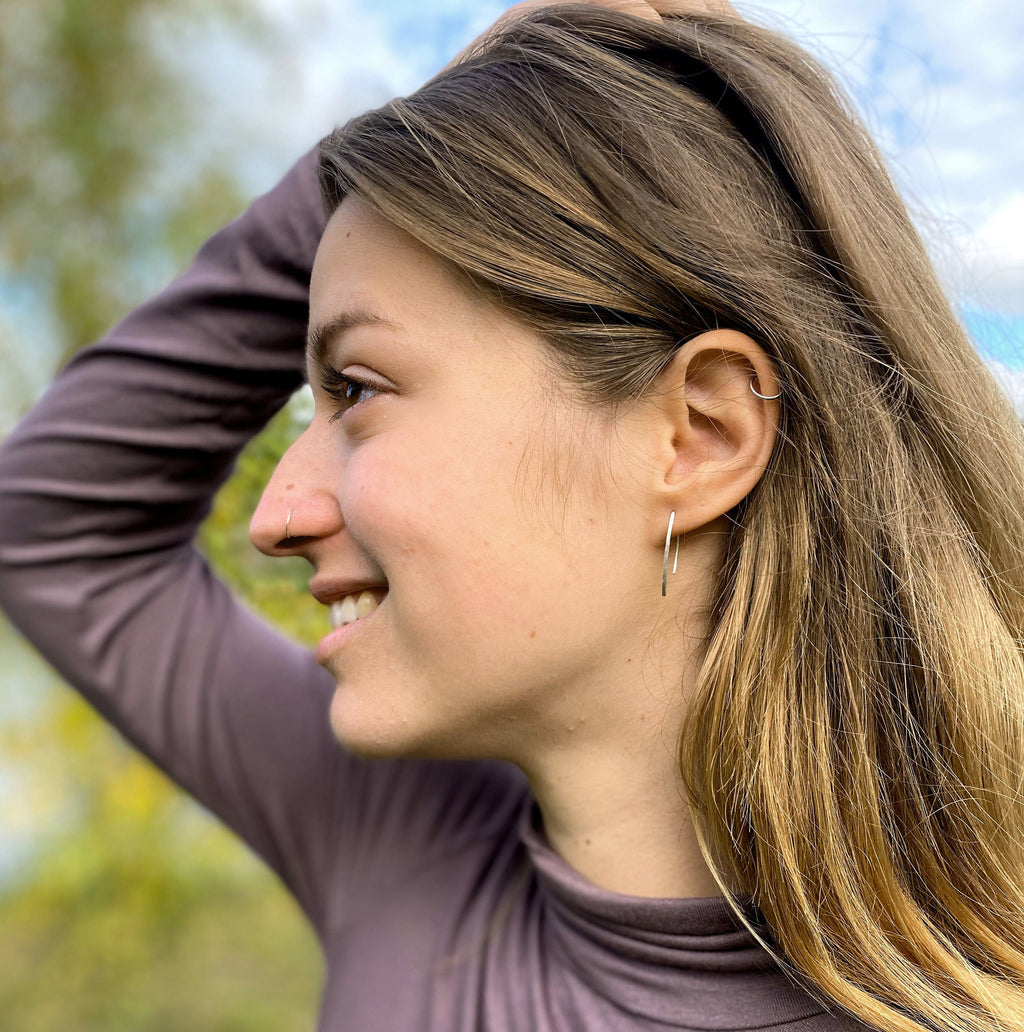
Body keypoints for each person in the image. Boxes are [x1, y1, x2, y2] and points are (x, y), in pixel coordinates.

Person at [2, 1, 1023, 1030]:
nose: (277, 515)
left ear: (698, 435)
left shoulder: (402, 850)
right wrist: (415, 152)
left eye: (355, 390)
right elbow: (50, 529)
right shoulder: (403, 842)